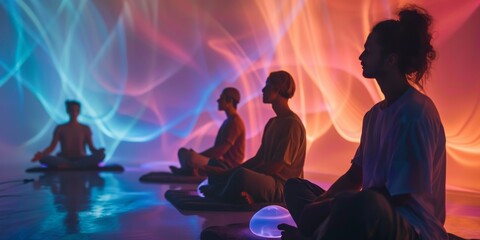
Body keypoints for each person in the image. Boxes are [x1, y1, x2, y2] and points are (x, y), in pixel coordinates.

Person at [279, 5, 447, 240]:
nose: (361, 56)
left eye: (368, 50)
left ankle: (316, 234)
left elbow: (399, 196)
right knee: (296, 189)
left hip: (410, 228)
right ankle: (318, 232)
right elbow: (354, 176)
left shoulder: (416, 112)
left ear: (390, 59)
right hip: (365, 212)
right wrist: (315, 206)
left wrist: (330, 206)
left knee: (363, 203)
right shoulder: (373, 116)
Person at [200, 70, 306, 204]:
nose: (263, 89)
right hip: (268, 180)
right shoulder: (272, 122)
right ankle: (231, 191)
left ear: (277, 89)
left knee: (241, 175)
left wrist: (230, 174)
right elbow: (259, 159)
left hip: (282, 188)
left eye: (267, 85)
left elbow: (274, 168)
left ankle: (219, 192)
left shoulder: (292, 124)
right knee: (216, 165)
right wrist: (227, 172)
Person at [169, 87, 246, 176]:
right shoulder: (228, 121)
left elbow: (220, 151)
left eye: (221, 98)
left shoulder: (235, 123)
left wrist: (198, 155)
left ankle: (190, 170)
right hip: (218, 161)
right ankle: (190, 169)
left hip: (225, 166)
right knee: (182, 151)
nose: (218, 101)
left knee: (191, 157)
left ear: (230, 101)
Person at [32, 100, 105, 168]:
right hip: (64, 159)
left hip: (82, 159)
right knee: (43, 159)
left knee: (101, 156)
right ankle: (74, 166)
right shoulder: (60, 128)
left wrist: (98, 152)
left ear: (79, 112)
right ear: (67, 111)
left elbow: (91, 148)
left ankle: (70, 165)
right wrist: (42, 154)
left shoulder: (85, 128)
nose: (74, 113)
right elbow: (52, 147)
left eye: (76, 110)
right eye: (71, 110)